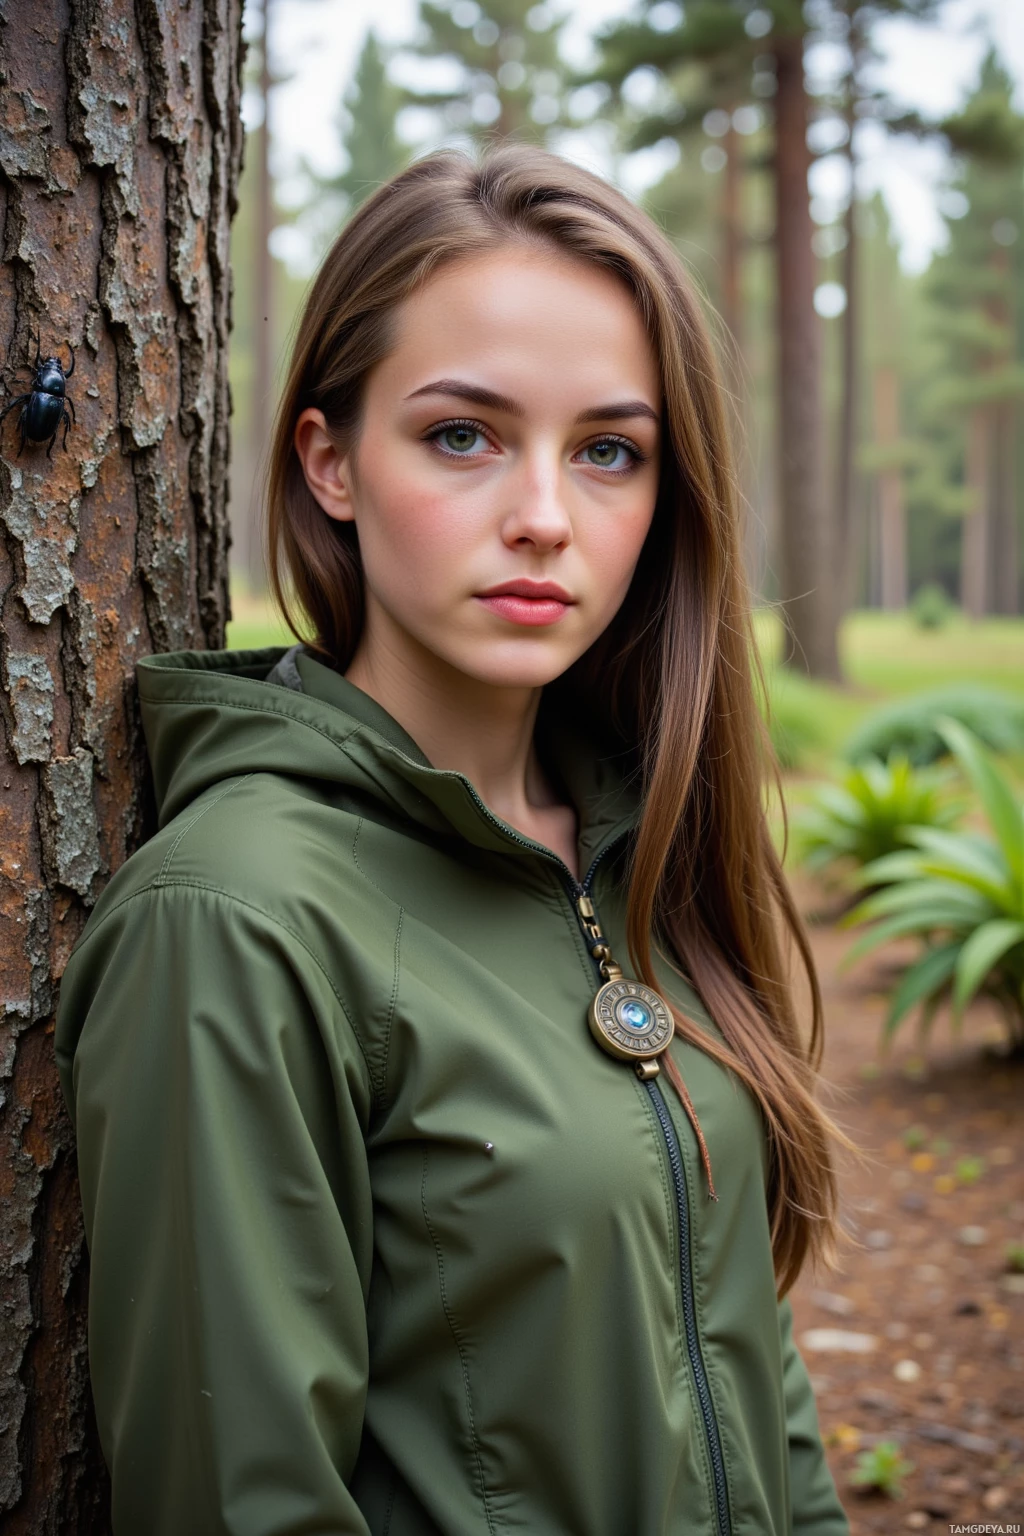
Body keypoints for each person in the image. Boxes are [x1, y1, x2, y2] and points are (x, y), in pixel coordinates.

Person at [56, 143, 857, 1535]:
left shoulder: (630, 844)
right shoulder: (236, 919)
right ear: (331, 464)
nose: (545, 517)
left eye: (610, 451)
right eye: (463, 435)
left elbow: (745, 1359)